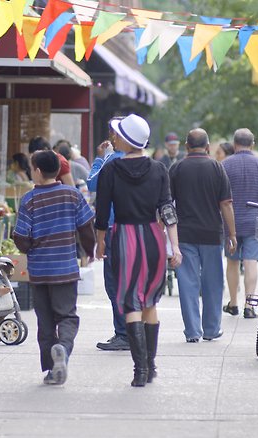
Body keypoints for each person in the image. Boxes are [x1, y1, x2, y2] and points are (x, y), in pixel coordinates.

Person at [94, 114, 183, 387]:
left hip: (123, 238)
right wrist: (175, 246)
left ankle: (139, 370)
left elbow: (101, 212)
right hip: (152, 238)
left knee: (131, 301)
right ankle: (151, 364)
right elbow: (167, 210)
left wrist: (100, 241)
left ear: (126, 139)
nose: (114, 137)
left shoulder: (109, 170)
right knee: (150, 303)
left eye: (118, 134)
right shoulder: (159, 170)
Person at [12, 150, 96, 385]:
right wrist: (89, 252)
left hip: (40, 271)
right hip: (65, 268)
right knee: (67, 316)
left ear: (37, 171)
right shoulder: (73, 194)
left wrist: (28, 247)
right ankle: (63, 349)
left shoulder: (29, 199)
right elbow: (86, 228)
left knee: (45, 322)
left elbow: (21, 238)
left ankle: (51, 369)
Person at [169, 129, 237, 343]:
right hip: (211, 234)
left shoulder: (176, 168)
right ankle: (211, 329)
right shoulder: (217, 167)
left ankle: (192, 332)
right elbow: (225, 203)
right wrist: (232, 234)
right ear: (208, 147)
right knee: (213, 282)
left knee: (187, 283)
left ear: (186, 146)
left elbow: (167, 203)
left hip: (185, 233)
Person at [221, 128, 258, 319]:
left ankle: (233, 303)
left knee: (232, 262)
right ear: (252, 144)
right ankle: (249, 304)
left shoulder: (225, 164)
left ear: (234, 144)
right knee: (251, 262)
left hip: (230, 221)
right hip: (255, 222)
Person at [87, 119, 128, 351]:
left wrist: (101, 158)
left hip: (113, 228)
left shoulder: (111, 161)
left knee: (114, 283)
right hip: (136, 230)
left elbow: (92, 185)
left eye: (113, 133)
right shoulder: (145, 162)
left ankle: (123, 332)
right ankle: (131, 330)